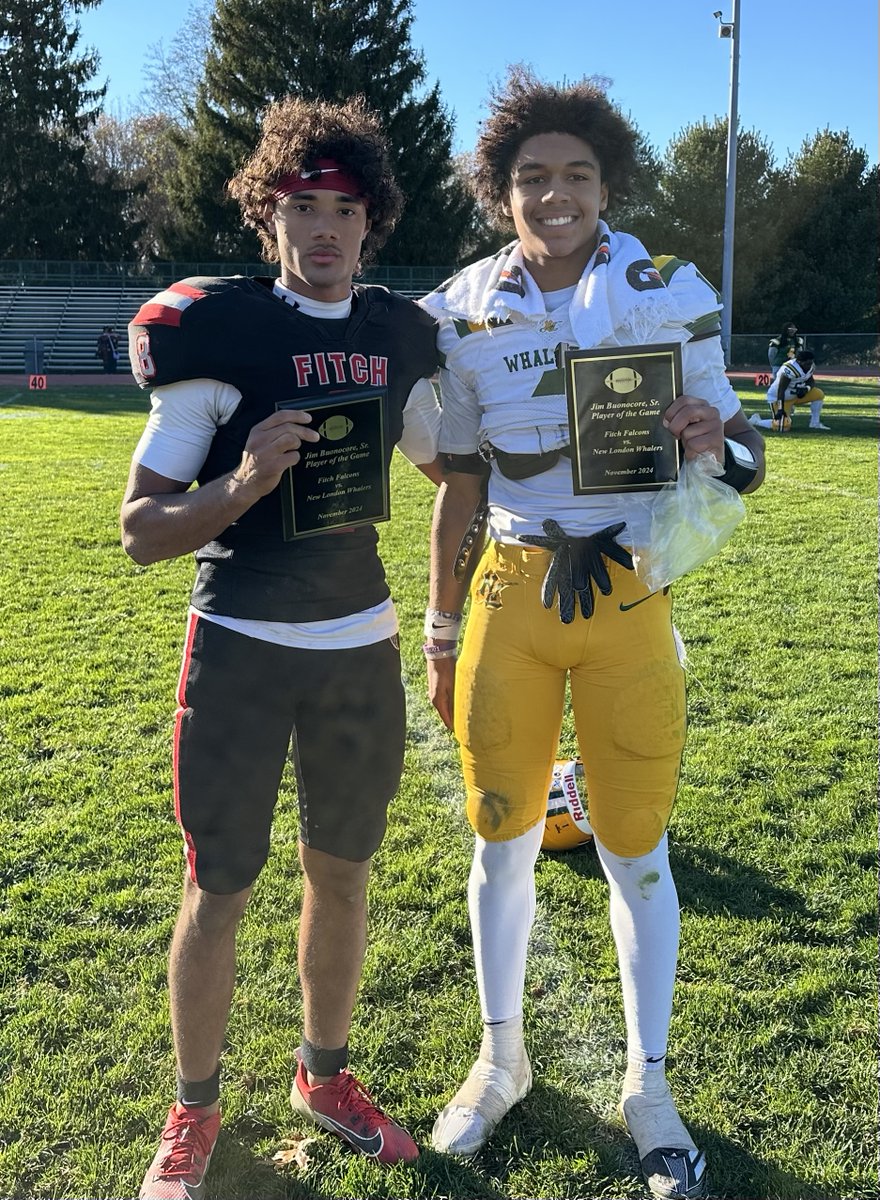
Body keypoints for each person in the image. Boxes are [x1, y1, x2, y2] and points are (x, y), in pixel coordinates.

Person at [419, 67, 765, 1200]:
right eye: (531, 177)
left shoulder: (664, 288)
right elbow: (457, 484)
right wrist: (433, 626)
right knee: (498, 841)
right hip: (509, 597)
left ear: (605, 180)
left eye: (575, 174)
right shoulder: (460, 305)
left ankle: (646, 1083)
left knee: (637, 849)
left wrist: (713, 433)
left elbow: (747, 460)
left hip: (627, 594)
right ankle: (501, 1056)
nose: (553, 193)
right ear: (498, 191)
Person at [121, 95, 443, 1200]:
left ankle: (323, 1076)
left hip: (360, 642)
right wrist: (244, 480)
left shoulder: (398, 335)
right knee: (219, 887)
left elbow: (457, 457)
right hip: (243, 646)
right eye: (299, 205)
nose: (320, 226)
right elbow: (141, 534)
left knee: (342, 877)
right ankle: (196, 1106)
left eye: (341, 209)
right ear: (268, 218)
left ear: (371, 225)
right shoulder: (220, 336)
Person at [749, 350, 829, 431]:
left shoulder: (811, 366)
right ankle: (756, 421)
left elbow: (811, 381)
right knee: (782, 427)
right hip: (780, 398)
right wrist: (780, 409)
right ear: (799, 361)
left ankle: (815, 423)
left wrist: (806, 389)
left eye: (810, 363)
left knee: (819, 394)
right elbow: (781, 389)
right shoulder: (789, 369)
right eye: (807, 364)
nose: (809, 366)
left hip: (795, 395)